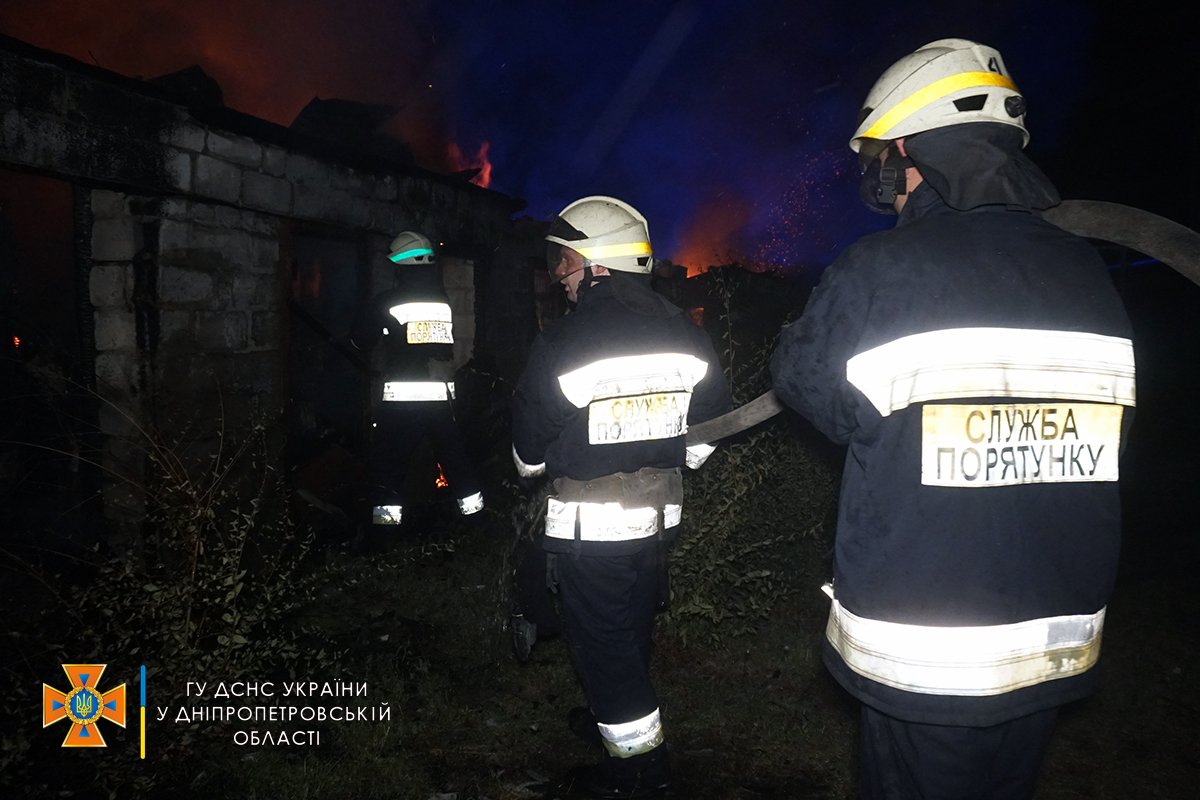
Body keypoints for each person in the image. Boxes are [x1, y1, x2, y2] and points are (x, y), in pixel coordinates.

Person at [769, 39, 1136, 799]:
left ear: (907, 152)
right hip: (1053, 638)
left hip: (928, 652)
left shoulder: (883, 271)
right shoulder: (1086, 274)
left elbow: (812, 390)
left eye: (882, 164)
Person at [511, 196, 732, 798]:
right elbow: (712, 423)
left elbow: (529, 450)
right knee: (631, 623)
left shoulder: (565, 341)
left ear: (598, 265)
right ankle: (613, 720)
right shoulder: (686, 334)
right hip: (660, 519)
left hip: (592, 527)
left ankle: (637, 769)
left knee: (602, 642)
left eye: (567, 263)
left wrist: (542, 463)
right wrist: (671, 458)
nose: (562, 276)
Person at [350, 231, 484, 531]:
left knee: (389, 467)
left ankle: (384, 534)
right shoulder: (442, 301)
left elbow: (361, 340)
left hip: (403, 403)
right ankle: (477, 525)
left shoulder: (389, 301)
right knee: (454, 460)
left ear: (399, 264)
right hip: (440, 400)